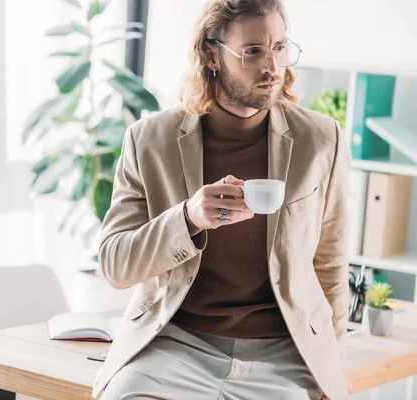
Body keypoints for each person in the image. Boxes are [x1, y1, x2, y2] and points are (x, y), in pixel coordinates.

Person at [92, 0, 353, 399]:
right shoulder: (148, 141)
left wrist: (333, 374)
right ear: (212, 54)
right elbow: (114, 264)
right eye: (253, 51)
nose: (272, 68)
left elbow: (330, 265)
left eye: (280, 48)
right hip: (177, 346)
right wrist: (188, 219)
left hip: (282, 354)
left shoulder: (322, 141)